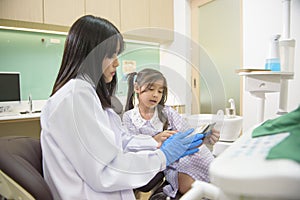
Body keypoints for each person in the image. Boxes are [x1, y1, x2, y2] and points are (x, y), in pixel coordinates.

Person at [40, 15, 205, 200]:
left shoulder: (88, 95)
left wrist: (157, 143)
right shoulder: (74, 97)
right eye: (111, 55)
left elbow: (119, 140)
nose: (117, 63)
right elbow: (105, 170)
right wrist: (163, 156)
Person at [123, 68, 220, 198]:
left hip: (187, 155)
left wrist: (204, 137)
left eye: (160, 91)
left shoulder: (167, 112)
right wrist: (155, 140)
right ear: (137, 88)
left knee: (216, 175)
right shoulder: (129, 117)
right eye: (151, 89)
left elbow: (186, 133)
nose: (156, 95)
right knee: (189, 187)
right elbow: (131, 147)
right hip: (166, 161)